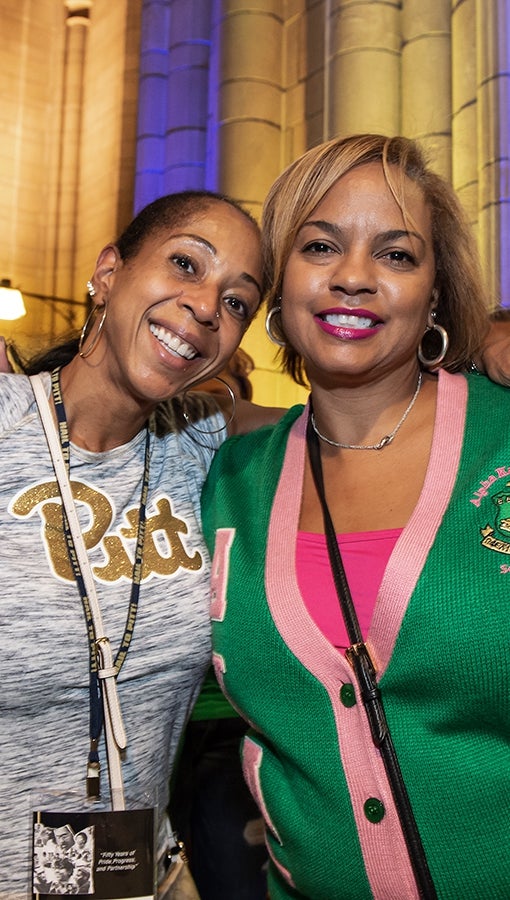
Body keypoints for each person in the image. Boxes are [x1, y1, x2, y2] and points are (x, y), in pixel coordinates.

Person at [201, 134, 510, 899]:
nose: (352, 278)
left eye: (397, 255)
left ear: (436, 292)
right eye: (319, 246)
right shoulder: (226, 478)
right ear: (281, 284)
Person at [0, 188, 282, 900]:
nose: (207, 305)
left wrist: (477, 350)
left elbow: (353, 425)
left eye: (238, 301)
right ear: (108, 272)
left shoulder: (205, 445)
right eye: (186, 264)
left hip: (146, 876)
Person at [170, 348, 268, 900]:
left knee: (230, 879)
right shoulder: (159, 468)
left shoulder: (255, 478)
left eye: (222, 398)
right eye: (196, 397)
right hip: (150, 731)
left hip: (227, 724)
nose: (204, 411)